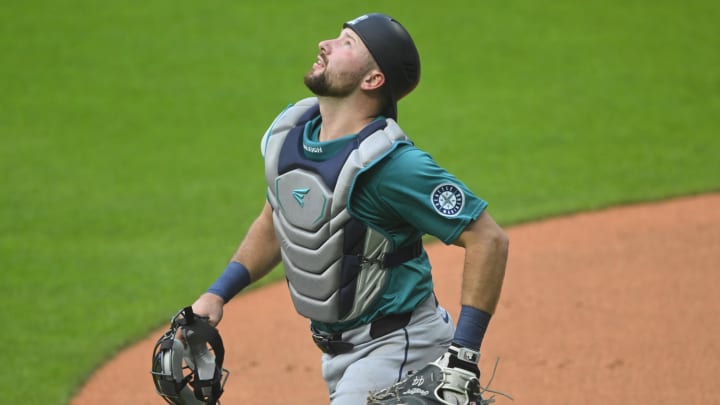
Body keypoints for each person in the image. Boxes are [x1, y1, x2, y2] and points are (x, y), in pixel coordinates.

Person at [190, 12, 509, 405]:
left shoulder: (393, 166)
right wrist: (218, 294)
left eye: (347, 43)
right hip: (342, 356)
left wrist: (463, 357)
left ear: (373, 80)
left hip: (402, 346)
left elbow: (487, 238)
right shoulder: (292, 138)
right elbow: (275, 222)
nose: (325, 44)